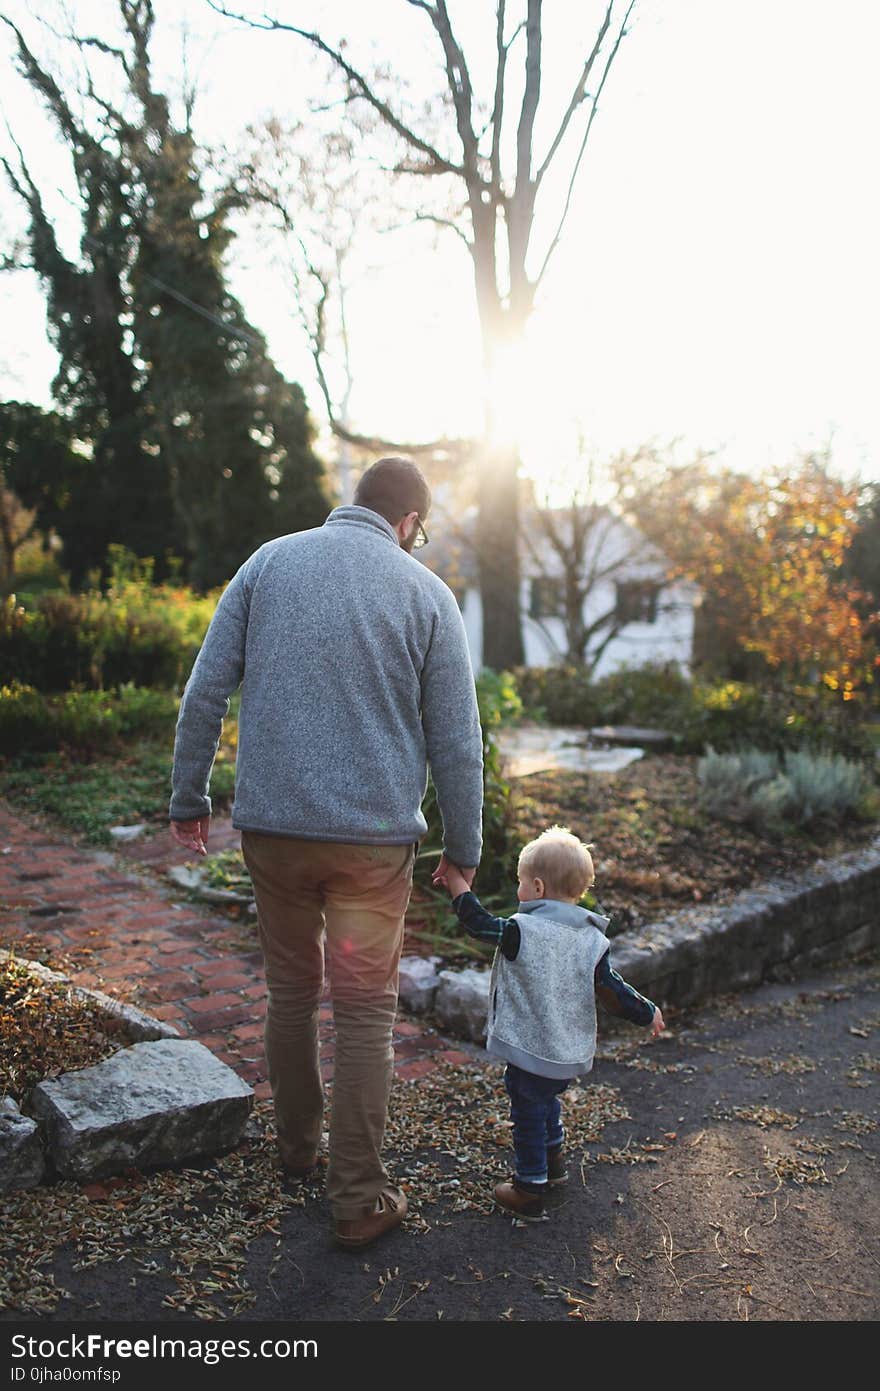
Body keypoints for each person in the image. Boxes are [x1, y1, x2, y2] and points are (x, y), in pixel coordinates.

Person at [169, 457, 483, 1250]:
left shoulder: (269, 563)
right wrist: (465, 850)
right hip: (373, 847)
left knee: (290, 990)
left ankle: (296, 1150)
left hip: (273, 832)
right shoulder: (427, 594)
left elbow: (206, 690)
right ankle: (358, 1195)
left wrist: (188, 800)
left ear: (356, 503)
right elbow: (457, 743)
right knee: (366, 1013)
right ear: (410, 521)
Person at [435, 825, 663, 1220]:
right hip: (565, 1050)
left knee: (526, 1108)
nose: (518, 891)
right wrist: (647, 1011)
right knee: (546, 1100)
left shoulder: (524, 930)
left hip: (530, 1046)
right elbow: (612, 989)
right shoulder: (590, 940)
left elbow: (479, 923)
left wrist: (457, 883)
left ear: (537, 888)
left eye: (521, 883)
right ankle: (553, 1160)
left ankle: (529, 1186)